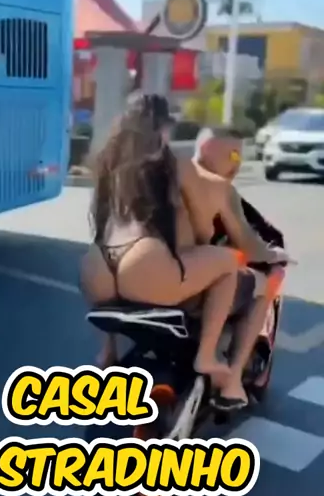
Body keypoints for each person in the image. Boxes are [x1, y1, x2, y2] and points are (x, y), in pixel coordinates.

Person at [80, 92, 243, 387]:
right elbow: (203, 228)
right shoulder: (172, 162)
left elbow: (99, 216)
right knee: (228, 263)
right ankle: (206, 356)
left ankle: (107, 351)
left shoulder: (106, 160)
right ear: (163, 126)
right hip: (143, 261)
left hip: (98, 265)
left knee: (113, 304)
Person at [193, 125, 287, 410]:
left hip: (146, 276)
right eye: (233, 155)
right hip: (193, 283)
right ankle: (232, 380)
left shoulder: (168, 179)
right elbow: (252, 240)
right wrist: (272, 253)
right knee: (270, 279)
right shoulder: (220, 190)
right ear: (207, 150)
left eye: (240, 156)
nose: (238, 163)